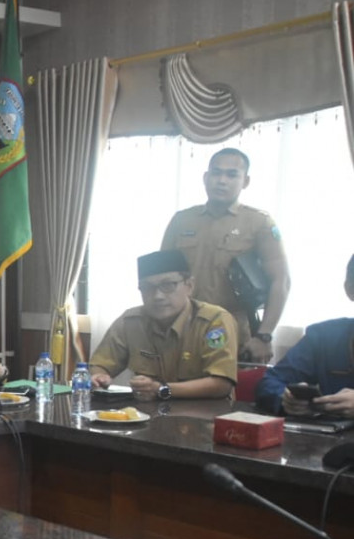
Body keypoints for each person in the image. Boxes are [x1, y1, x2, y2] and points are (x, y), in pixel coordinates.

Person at [161, 147, 289, 363]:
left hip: (235, 330)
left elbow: (281, 280)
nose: (222, 180)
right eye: (216, 173)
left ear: (245, 181)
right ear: (205, 177)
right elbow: (161, 277)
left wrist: (264, 335)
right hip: (184, 328)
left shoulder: (259, 223)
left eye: (232, 175)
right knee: (175, 392)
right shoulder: (182, 220)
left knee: (231, 395)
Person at [89, 250, 238, 400]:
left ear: (190, 286)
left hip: (206, 415)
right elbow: (101, 364)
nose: (157, 296)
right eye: (147, 287)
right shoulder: (130, 321)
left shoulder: (214, 321)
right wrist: (99, 376)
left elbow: (221, 384)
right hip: (149, 415)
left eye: (168, 285)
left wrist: (161, 389)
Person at [255, 253, 354, 418]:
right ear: (350, 289)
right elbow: (269, 383)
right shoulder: (323, 337)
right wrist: (286, 398)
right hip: (325, 440)